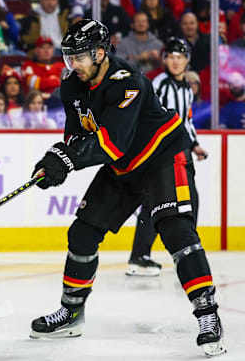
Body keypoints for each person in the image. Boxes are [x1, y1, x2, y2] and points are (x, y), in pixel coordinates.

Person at [28, 19, 225, 357]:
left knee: (177, 231)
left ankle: (208, 316)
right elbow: (78, 135)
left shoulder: (127, 82)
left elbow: (111, 143)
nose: (72, 64)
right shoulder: (72, 85)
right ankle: (72, 312)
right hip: (123, 167)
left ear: (100, 53)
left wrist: (68, 158)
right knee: (82, 233)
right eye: (69, 57)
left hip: (162, 157)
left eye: (79, 57)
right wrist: (57, 160)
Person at [125, 37, 209, 276]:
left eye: (179, 57)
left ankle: (180, 252)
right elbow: (148, 117)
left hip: (181, 152)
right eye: (170, 56)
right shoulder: (160, 84)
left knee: (186, 201)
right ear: (164, 60)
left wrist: (195, 145)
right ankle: (144, 257)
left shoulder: (186, 89)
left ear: (187, 61)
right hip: (161, 153)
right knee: (155, 202)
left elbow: (187, 121)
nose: (175, 61)